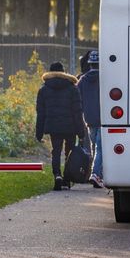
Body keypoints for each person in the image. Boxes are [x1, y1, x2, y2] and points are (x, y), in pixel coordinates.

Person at [35, 61, 87, 191]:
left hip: (54, 127)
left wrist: (39, 133)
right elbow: (77, 112)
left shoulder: (43, 89)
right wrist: (81, 133)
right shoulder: (72, 88)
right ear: (63, 73)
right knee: (69, 153)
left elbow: (40, 113)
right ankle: (67, 178)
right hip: (70, 127)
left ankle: (57, 175)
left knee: (56, 152)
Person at [76, 50, 103, 187]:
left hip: (89, 119)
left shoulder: (82, 80)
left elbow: (76, 98)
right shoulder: (105, 79)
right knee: (100, 148)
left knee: (94, 145)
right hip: (104, 119)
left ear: (90, 64)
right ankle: (96, 174)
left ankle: (97, 173)